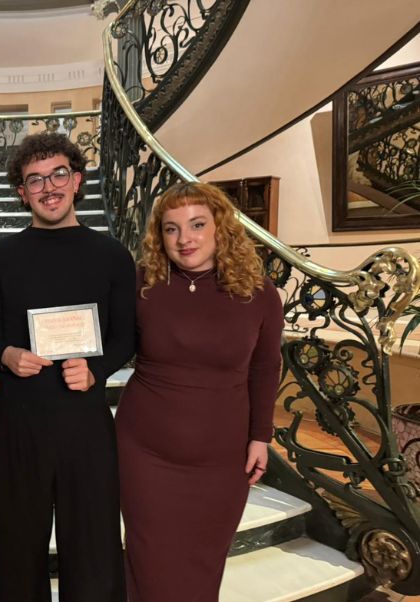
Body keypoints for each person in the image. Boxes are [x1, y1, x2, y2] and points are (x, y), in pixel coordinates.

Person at [0, 132, 136, 602]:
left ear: (77, 180)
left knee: (92, 543)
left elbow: (126, 337)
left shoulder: (112, 255)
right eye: (35, 180)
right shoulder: (0, 256)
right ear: (21, 192)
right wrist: (7, 356)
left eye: (58, 174)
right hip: (19, 420)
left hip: (84, 420)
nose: (49, 187)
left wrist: (97, 371)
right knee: (13, 543)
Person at [115, 181, 283, 601]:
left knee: (202, 561)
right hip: (145, 452)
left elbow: (265, 367)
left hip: (221, 457)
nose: (184, 239)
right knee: (148, 559)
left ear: (220, 228)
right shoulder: (142, 284)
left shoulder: (259, 294)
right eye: (171, 229)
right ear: (159, 237)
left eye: (196, 224)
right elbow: (107, 342)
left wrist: (261, 435)